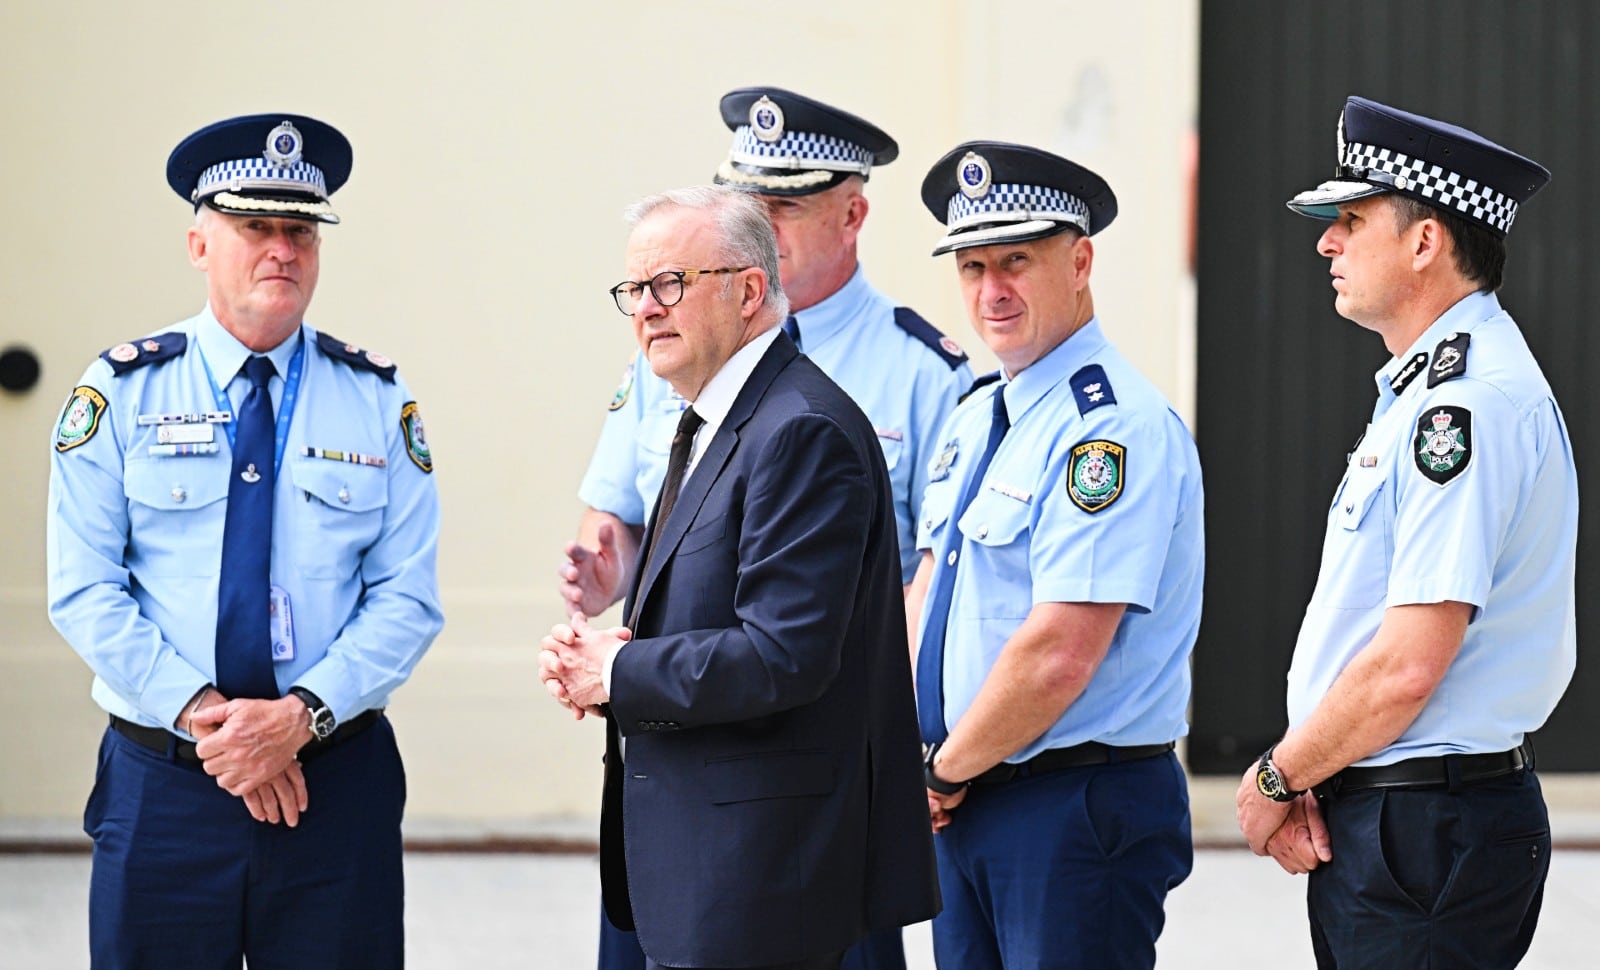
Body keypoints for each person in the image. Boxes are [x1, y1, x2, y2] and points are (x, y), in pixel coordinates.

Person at [563, 85, 968, 970]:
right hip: (693, 855)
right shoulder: (704, 412)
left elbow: (783, 654)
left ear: (749, 293)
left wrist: (620, 668)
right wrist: (611, 649)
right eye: (633, 288)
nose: (645, 307)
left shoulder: (801, 428)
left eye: (670, 284)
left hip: (766, 875)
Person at [46, 113, 443, 968]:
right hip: (167, 789)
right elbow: (83, 587)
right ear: (198, 244)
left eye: (300, 230)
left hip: (333, 785)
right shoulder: (119, 390)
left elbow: (407, 597)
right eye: (254, 226)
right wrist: (212, 721)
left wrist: (297, 719)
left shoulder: (376, 396)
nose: (282, 251)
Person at [1234, 95, 1572, 968]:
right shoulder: (1427, 391)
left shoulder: (1461, 406)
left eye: (1350, 218)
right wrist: (1317, 767)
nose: (1326, 243)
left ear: (1426, 243)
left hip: (1425, 830)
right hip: (1401, 818)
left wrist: (1278, 775)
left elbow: (1406, 665)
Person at [908, 141, 1202, 969]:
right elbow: (927, 594)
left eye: (1016, 262)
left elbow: (1061, 650)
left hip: (1069, 805)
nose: (991, 291)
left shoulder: (1108, 430)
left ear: (1079, 262)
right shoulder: (977, 418)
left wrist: (939, 770)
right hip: (966, 798)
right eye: (972, 268)